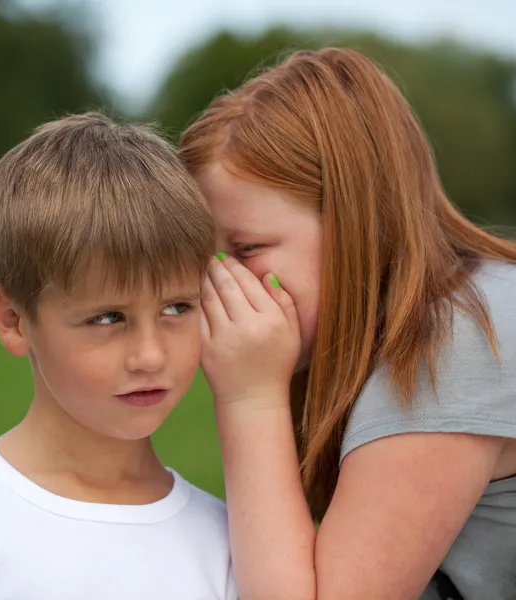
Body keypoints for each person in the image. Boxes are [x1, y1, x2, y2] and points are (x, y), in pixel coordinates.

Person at [179, 48, 516, 600]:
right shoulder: (479, 298)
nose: (218, 285)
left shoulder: (449, 348)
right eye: (205, 259)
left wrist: (251, 398)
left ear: (356, 222)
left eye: (246, 249)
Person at [0, 113, 236, 600]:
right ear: (13, 320)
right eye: (107, 318)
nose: (150, 355)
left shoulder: (228, 542)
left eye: (177, 307)